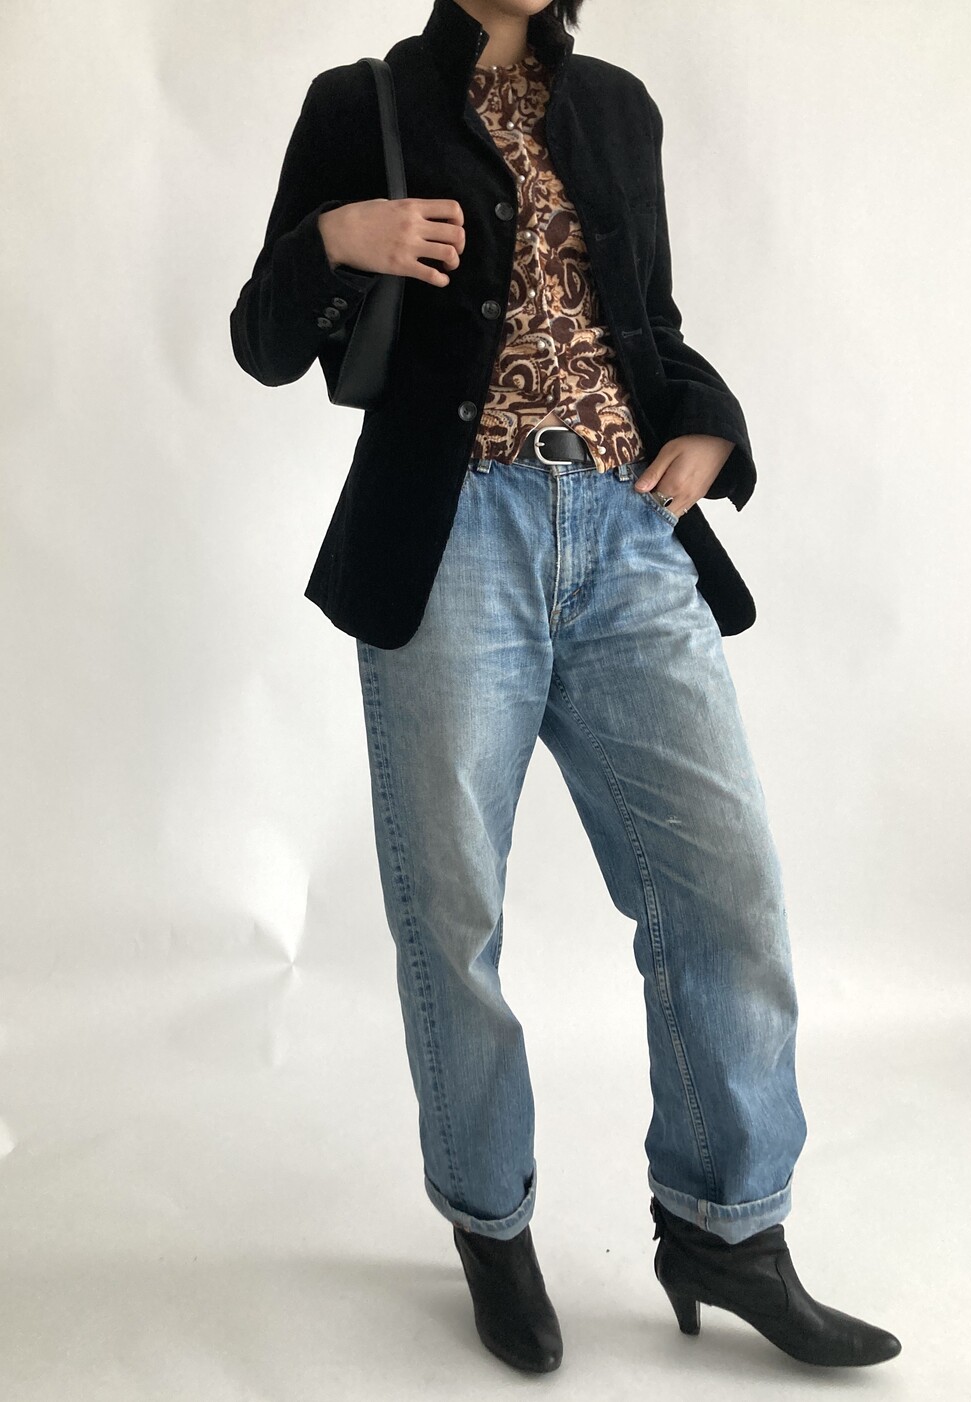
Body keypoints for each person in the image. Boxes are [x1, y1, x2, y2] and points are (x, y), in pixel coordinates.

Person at [230, 0, 902, 1375]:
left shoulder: (618, 110)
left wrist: (712, 425)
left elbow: (647, 326)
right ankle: (491, 1220)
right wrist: (334, 241)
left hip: (627, 527)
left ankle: (727, 1227)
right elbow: (263, 338)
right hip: (452, 535)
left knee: (726, 884)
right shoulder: (361, 104)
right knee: (453, 907)